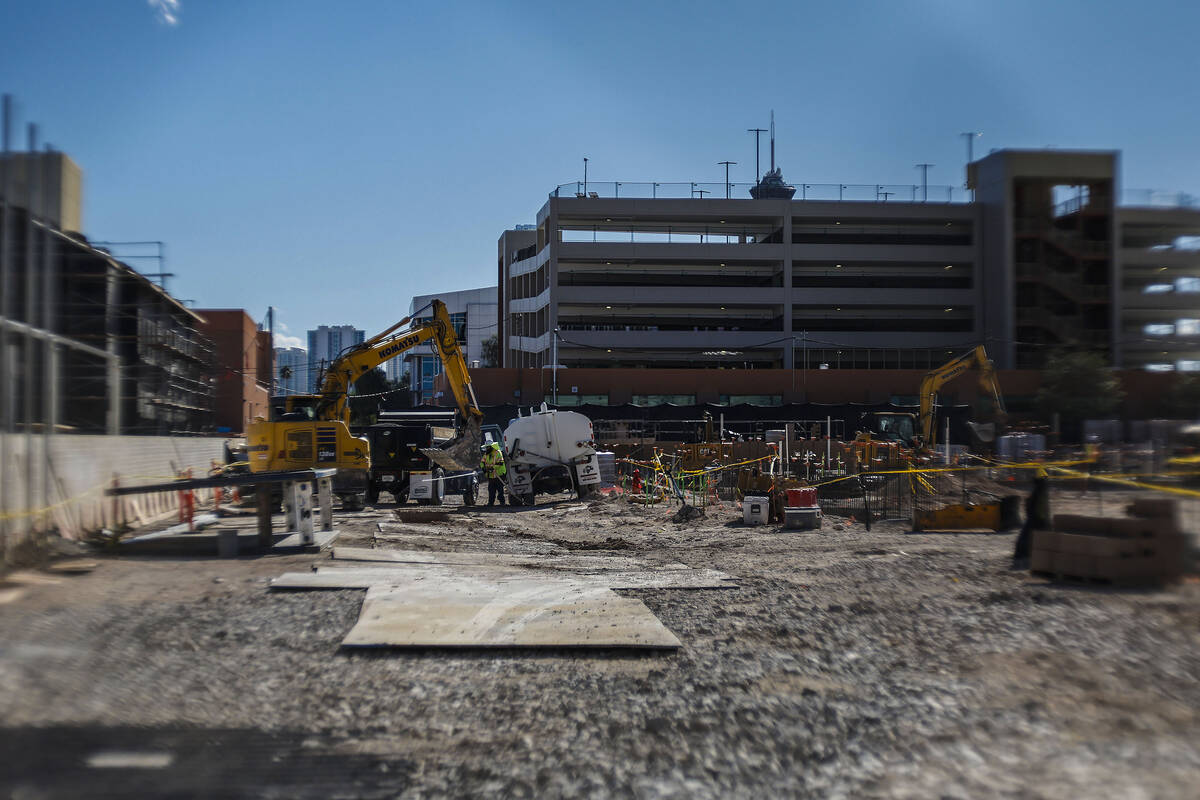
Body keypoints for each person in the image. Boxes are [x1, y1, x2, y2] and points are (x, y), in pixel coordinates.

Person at [1012, 467, 1050, 569]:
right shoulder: (1043, 491)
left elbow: (1035, 508)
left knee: (1024, 540)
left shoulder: (1038, 491)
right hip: (1039, 520)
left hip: (1035, 519)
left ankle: (1022, 558)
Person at [481, 443, 507, 507]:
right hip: (490, 475)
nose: (486, 449)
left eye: (487, 447)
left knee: (500, 489)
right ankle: (491, 503)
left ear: (491, 447)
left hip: (499, 475)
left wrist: (492, 468)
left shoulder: (498, 453)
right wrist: (484, 468)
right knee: (491, 489)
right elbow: (482, 462)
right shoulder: (486, 454)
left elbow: (500, 463)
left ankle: (502, 502)